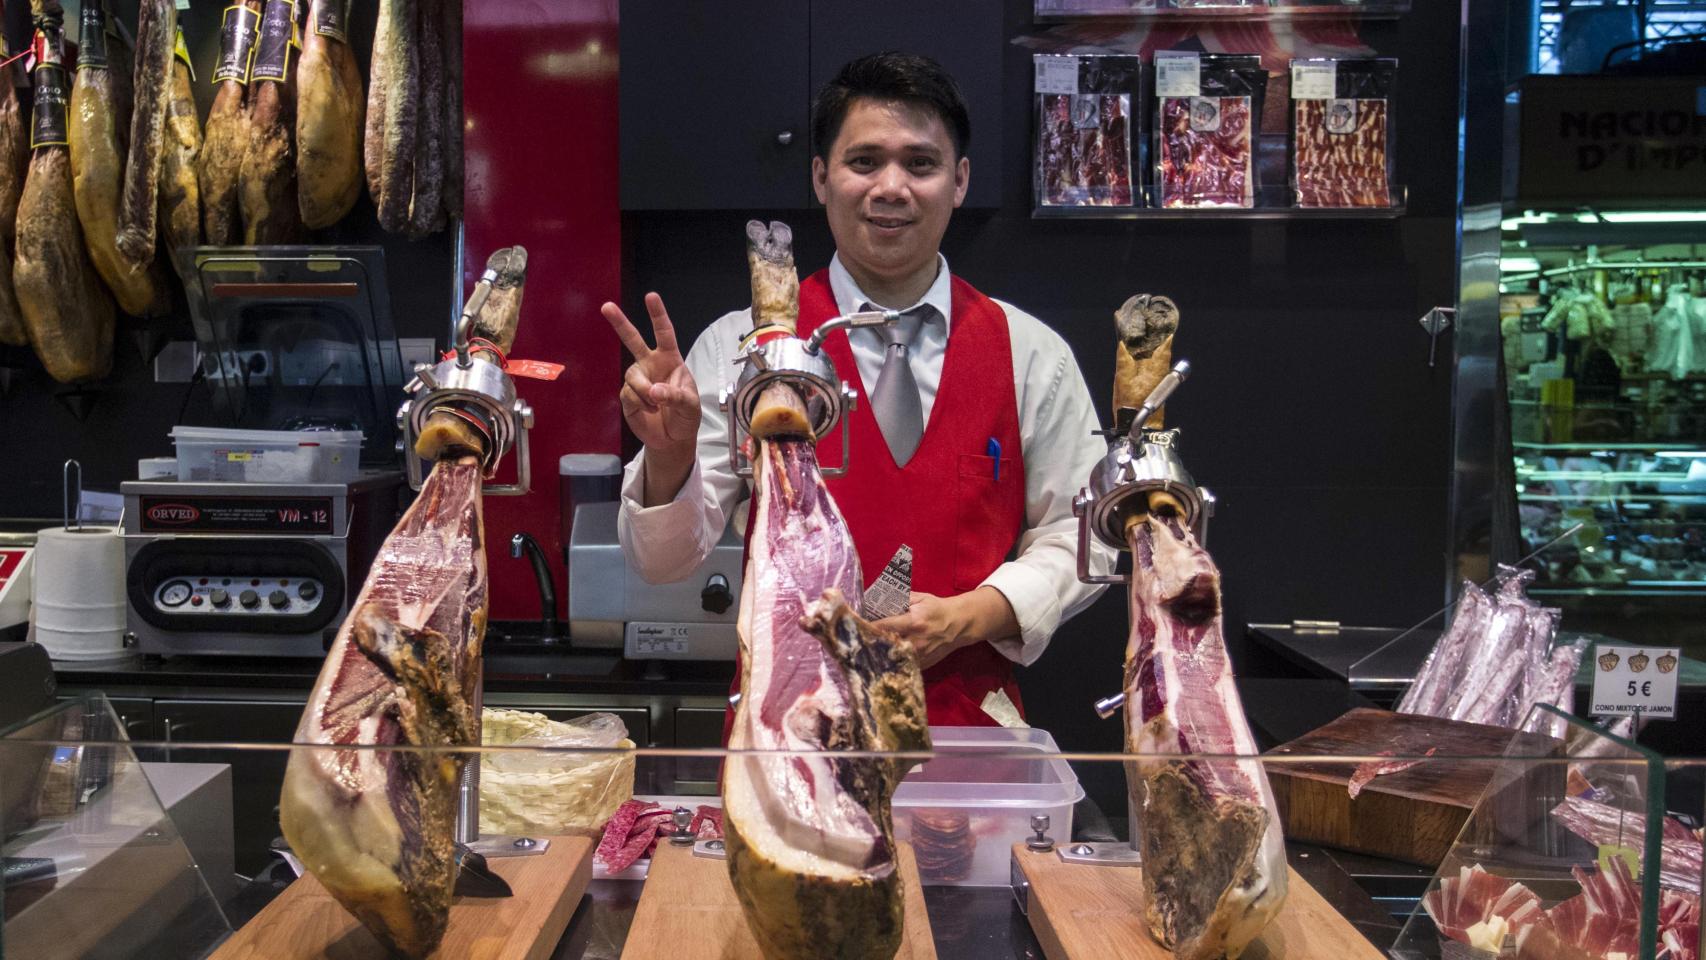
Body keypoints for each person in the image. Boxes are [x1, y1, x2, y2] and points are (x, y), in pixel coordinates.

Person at [602, 52, 1113, 729]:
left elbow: (1085, 539)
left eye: (921, 164)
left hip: (967, 738)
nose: (891, 187)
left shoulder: (1029, 353)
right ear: (821, 177)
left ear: (959, 181)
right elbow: (661, 564)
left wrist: (971, 615)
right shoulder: (739, 348)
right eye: (864, 161)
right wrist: (668, 461)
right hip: (787, 735)